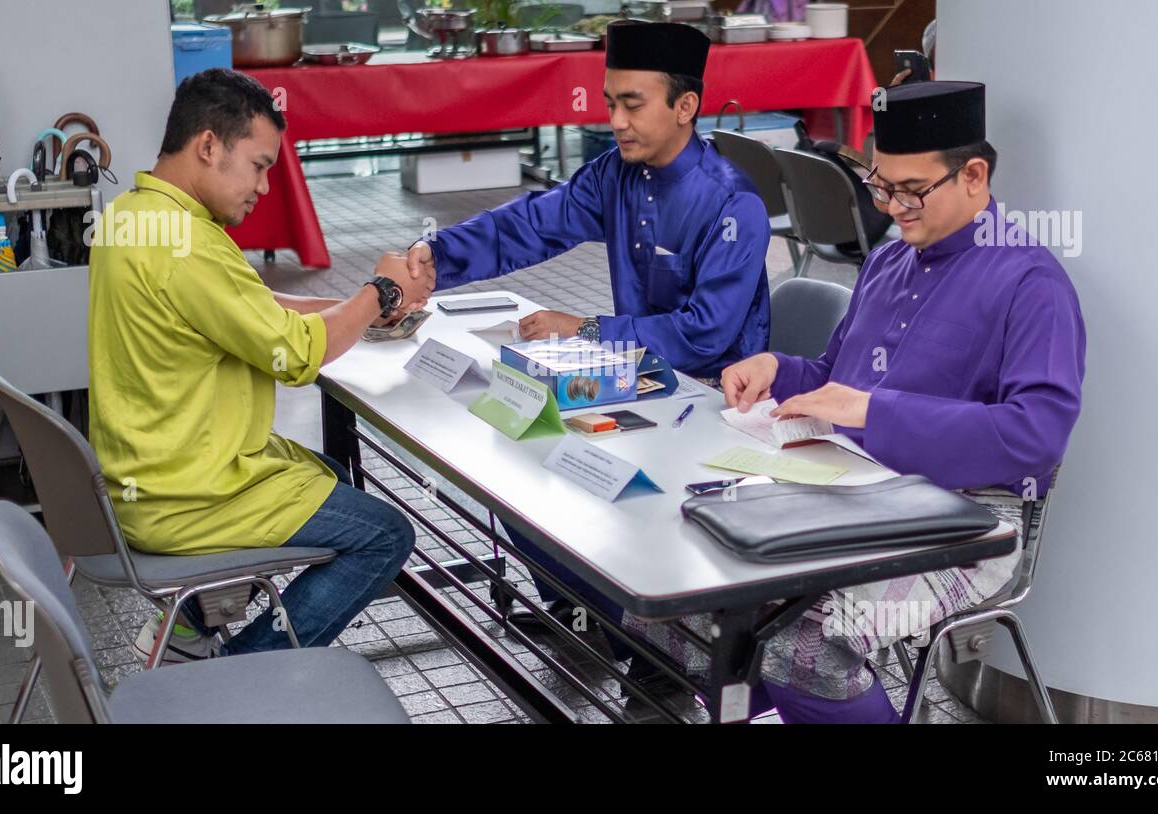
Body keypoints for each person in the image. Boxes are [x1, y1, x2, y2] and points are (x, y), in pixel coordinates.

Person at [626, 81, 1087, 721]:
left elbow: (1035, 435)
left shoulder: (1030, 282)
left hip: (972, 521)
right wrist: (776, 369)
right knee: (676, 594)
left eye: (910, 190)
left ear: (974, 175)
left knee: (805, 641)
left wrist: (876, 411)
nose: (892, 207)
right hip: (849, 487)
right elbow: (832, 376)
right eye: (881, 186)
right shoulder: (889, 261)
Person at [405, 22, 774, 657]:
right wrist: (435, 256)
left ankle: (655, 649)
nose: (617, 120)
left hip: (712, 403)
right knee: (520, 439)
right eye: (611, 103)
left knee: (585, 471)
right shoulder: (616, 174)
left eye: (633, 103)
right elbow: (529, 224)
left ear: (685, 107)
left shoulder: (732, 204)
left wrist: (588, 329)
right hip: (637, 381)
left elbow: (704, 335)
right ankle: (589, 615)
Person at [88, 69, 434, 662]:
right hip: (187, 496)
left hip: (148, 473)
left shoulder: (134, 214)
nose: (265, 187)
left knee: (329, 472)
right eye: (259, 165)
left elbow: (254, 307)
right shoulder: (187, 243)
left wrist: (356, 309)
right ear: (207, 146)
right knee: (386, 533)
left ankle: (192, 629)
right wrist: (378, 291)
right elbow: (295, 353)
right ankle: (241, 670)